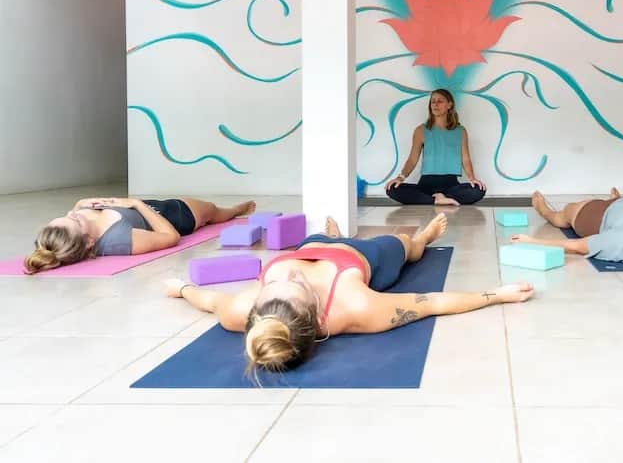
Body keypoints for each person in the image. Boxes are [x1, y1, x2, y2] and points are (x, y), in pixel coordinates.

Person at [166, 213, 534, 372]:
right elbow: (431, 302)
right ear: (315, 314)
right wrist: (497, 294)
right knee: (410, 247)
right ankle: (424, 236)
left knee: (319, 237)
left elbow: (210, 299)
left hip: (313, 245)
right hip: (368, 258)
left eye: (273, 281)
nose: (289, 272)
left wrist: (182, 288)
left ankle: (333, 231)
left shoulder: (245, 311)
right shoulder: (355, 307)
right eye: (295, 285)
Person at [24, 197, 255, 274]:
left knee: (212, 209)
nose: (73, 213)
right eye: (75, 219)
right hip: (173, 215)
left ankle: (231, 209)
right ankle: (235, 211)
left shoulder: (76, 224)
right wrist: (136, 203)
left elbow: (77, 206)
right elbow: (170, 236)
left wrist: (81, 205)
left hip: (148, 207)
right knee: (213, 212)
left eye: (68, 214)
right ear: (89, 242)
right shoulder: (119, 240)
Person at [385, 89, 486, 206]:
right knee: (392, 188)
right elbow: (412, 159)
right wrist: (400, 178)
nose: (435, 104)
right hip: (426, 185)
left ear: (449, 105)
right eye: (433, 102)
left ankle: (433, 199)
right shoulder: (420, 130)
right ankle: (438, 200)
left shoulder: (461, 131)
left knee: (479, 190)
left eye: (440, 101)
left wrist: (472, 179)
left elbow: (465, 159)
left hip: (451, 186)